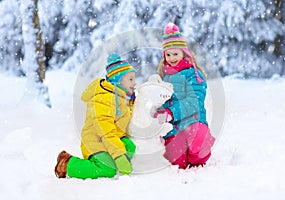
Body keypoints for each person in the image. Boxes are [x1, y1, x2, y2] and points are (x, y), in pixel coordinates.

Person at [54, 53, 137, 179]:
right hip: (95, 141)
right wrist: (119, 155)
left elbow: (123, 119)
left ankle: (114, 160)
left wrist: (132, 103)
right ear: (117, 80)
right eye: (130, 79)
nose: (134, 83)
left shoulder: (120, 97)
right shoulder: (102, 99)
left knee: (130, 146)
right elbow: (106, 132)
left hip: (110, 140)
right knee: (107, 170)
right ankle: (67, 163)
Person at [152, 22, 215, 169]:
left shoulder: (194, 75)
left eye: (175, 53)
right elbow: (156, 98)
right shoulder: (162, 76)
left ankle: (198, 156)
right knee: (178, 164)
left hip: (193, 122)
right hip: (173, 130)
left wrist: (171, 113)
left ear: (184, 53)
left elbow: (194, 103)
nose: (172, 57)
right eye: (168, 54)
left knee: (198, 146)